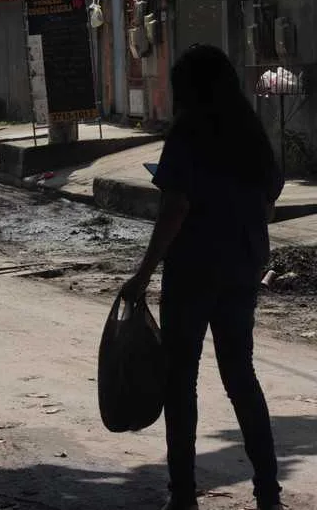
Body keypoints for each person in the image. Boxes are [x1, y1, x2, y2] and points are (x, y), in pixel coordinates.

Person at [120, 44, 284, 510]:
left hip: (194, 271)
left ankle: (184, 495)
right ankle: (268, 492)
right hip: (244, 268)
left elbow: (176, 208)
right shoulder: (251, 133)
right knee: (240, 377)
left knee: (180, 381)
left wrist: (142, 273)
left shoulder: (188, 134)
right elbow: (269, 201)